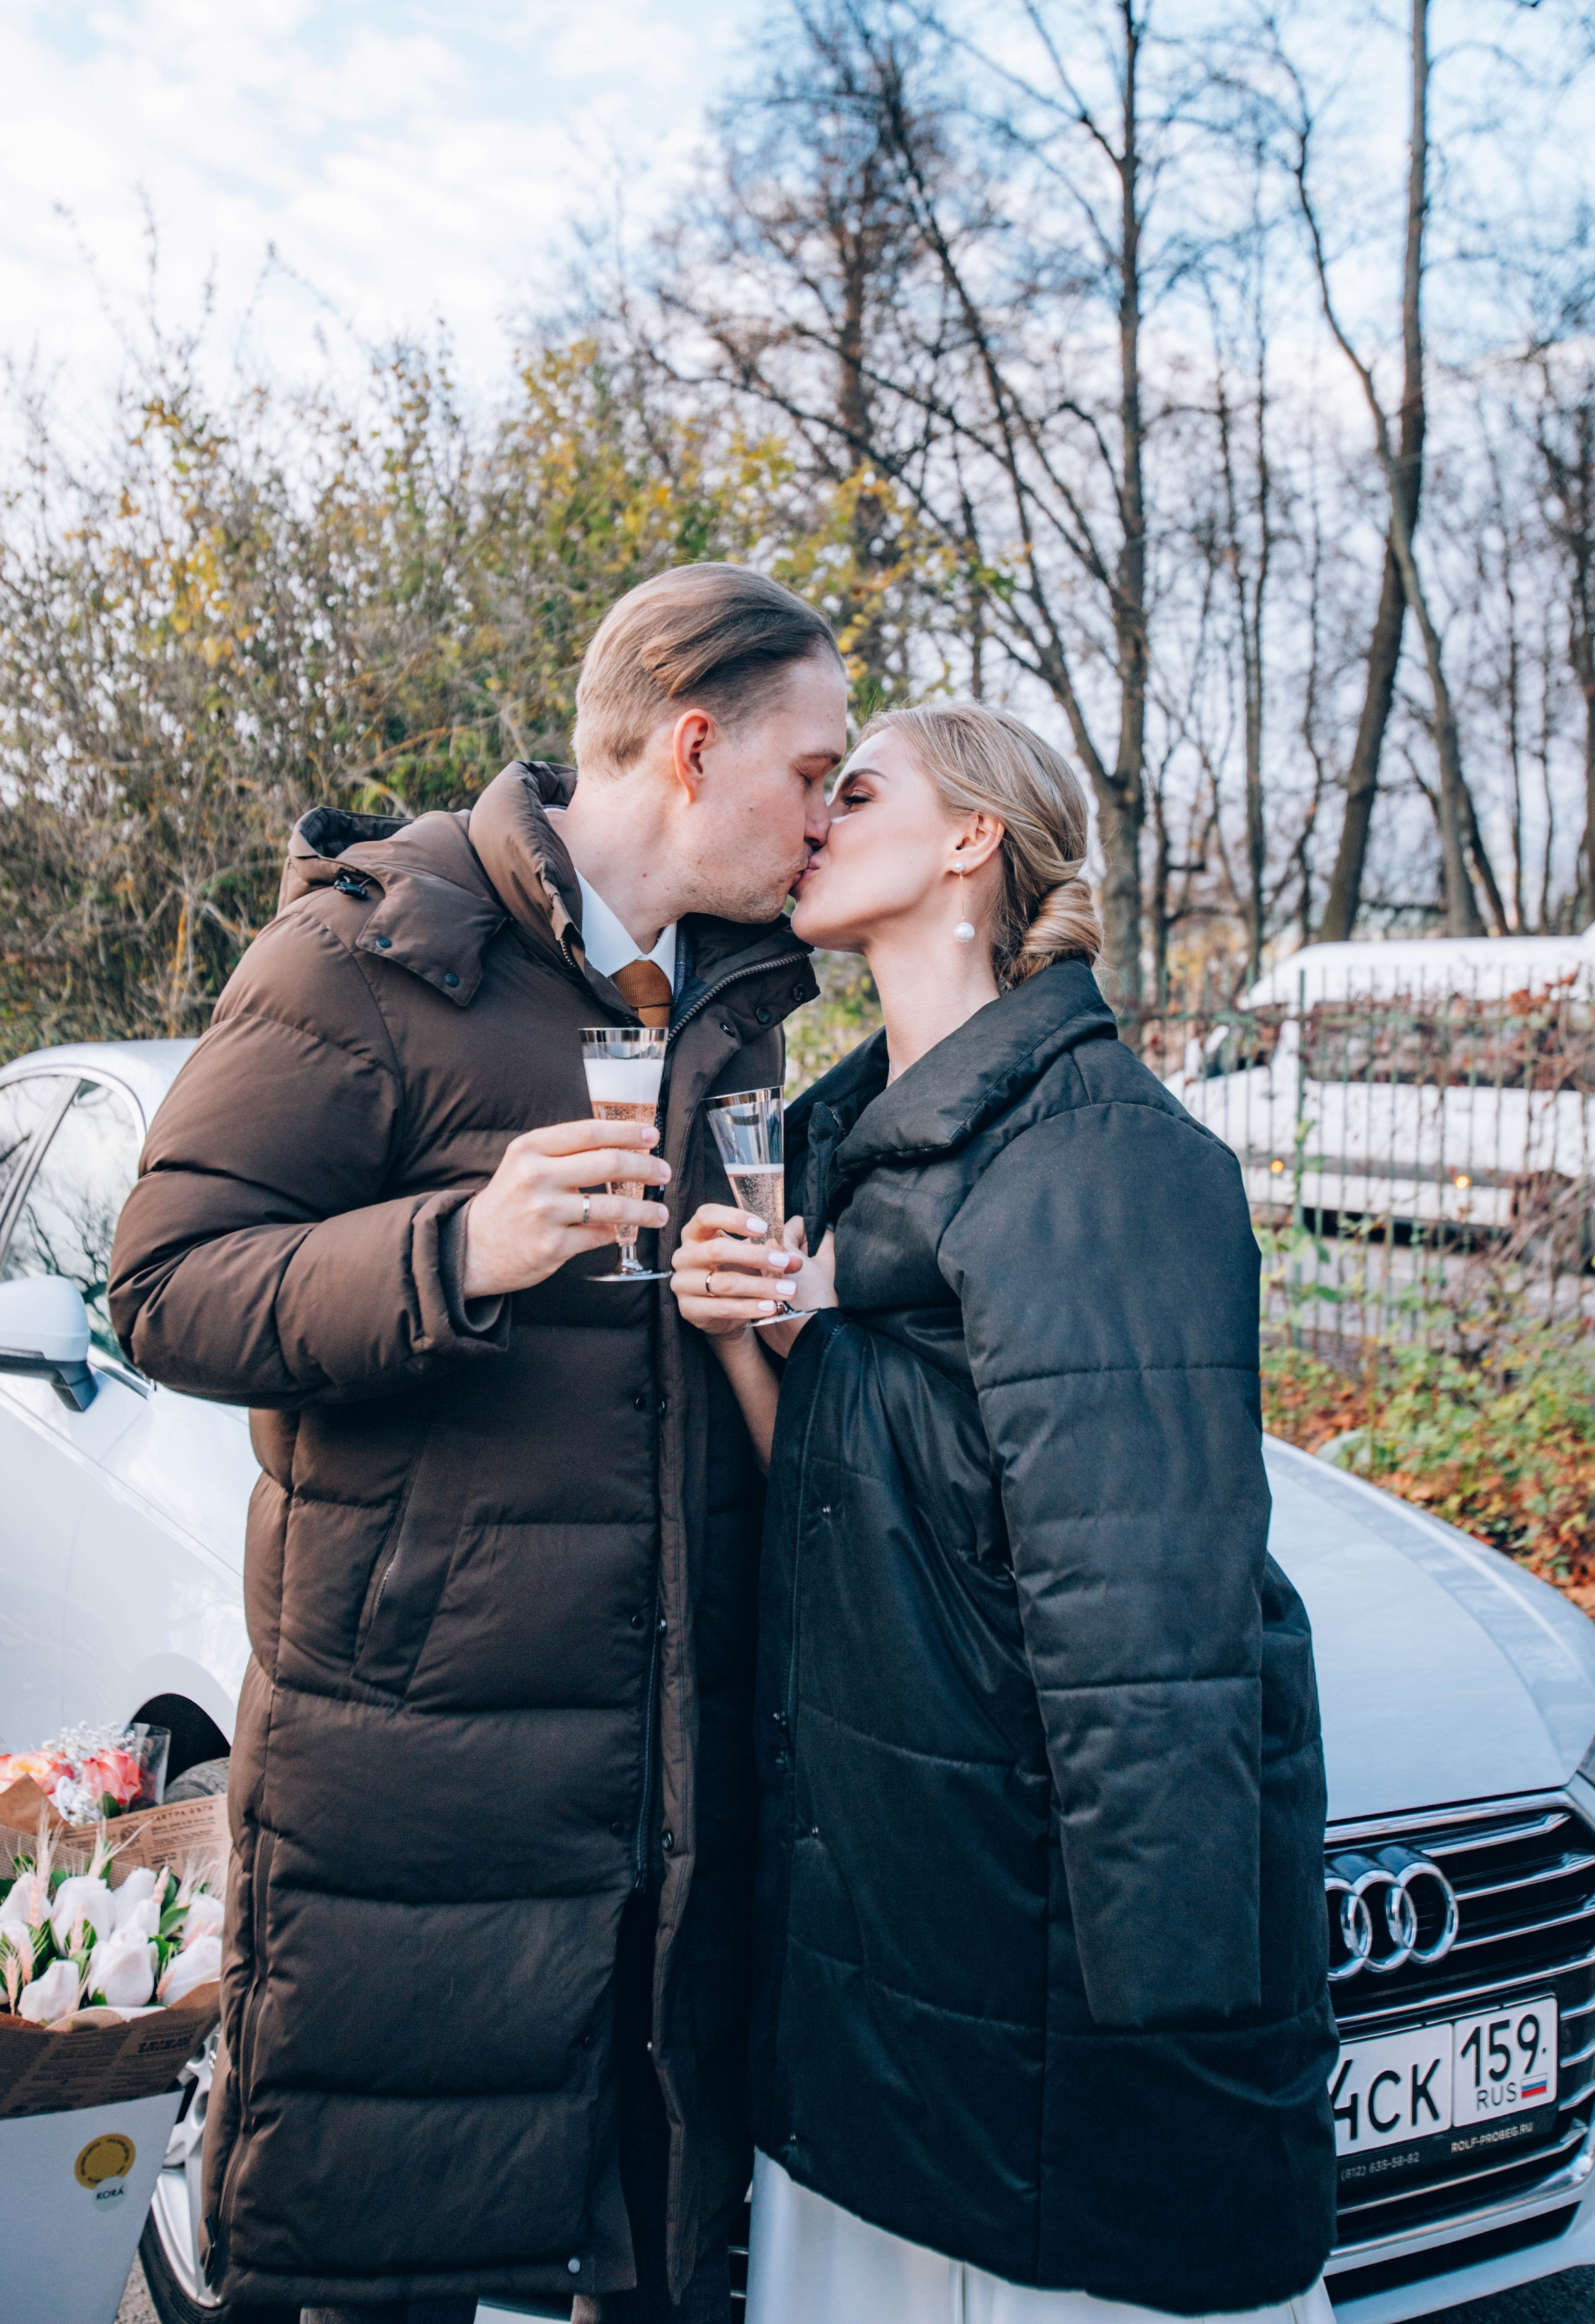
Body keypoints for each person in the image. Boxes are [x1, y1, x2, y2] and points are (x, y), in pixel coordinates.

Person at [107, 566, 847, 2324]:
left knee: (652, 2255)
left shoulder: (746, 997)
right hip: (421, 1781)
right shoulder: (365, 951)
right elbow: (162, 1287)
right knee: (391, 2257)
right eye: (812, 770)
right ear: (691, 747)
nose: (831, 810)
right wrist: (454, 1248)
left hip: (666, 1786)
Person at [671, 703, 1338, 2324]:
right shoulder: (835, 1150)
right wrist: (751, 1343)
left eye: (858, 788)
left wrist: (1167, 2062)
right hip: (876, 1961)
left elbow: (1146, 1640)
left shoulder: (1093, 1152)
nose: (813, 818)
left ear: (969, 841)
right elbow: (837, 1522)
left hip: (1027, 2017)